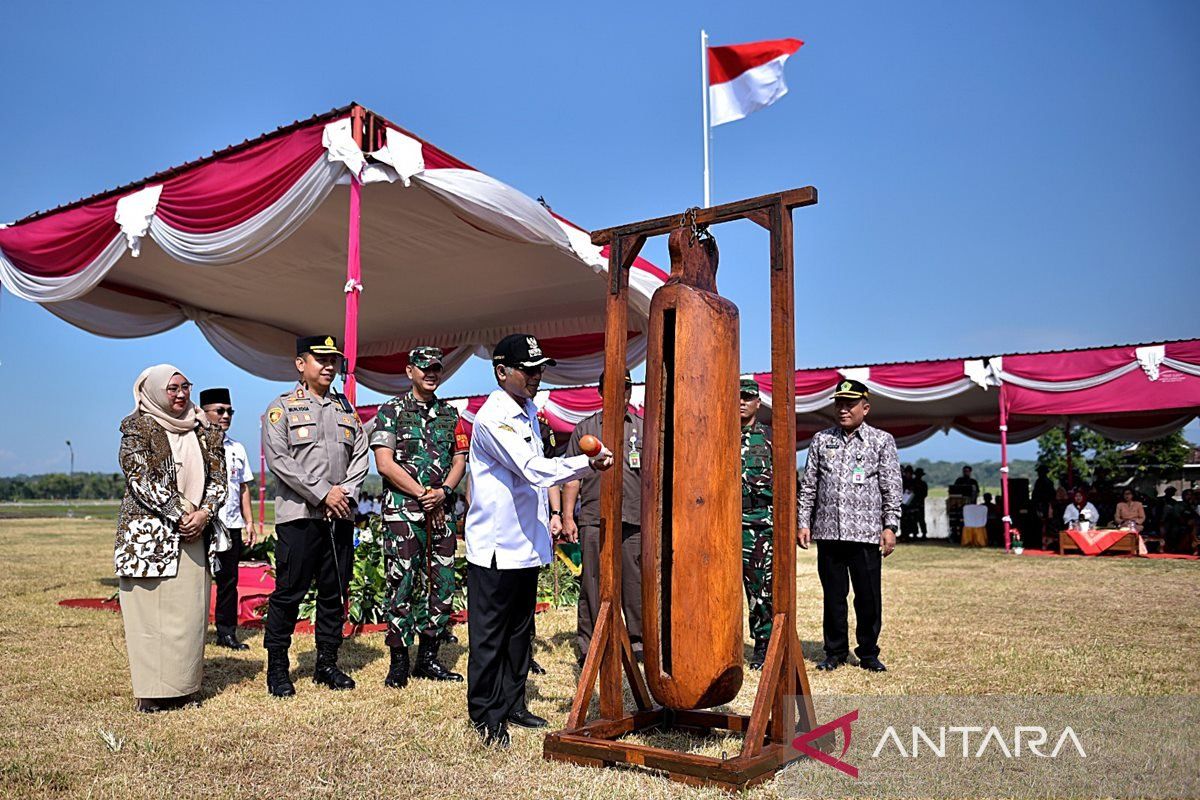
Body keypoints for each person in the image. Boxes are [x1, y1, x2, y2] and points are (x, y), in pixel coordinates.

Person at [465, 333, 613, 748]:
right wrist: (587, 464)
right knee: (490, 637)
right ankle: (486, 715)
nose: (536, 377)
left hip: (525, 543)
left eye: (539, 368)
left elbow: (542, 467)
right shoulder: (492, 417)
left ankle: (512, 703)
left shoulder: (529, 410)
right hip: (495, 546)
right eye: (528, 370)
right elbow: (533, 469)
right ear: (502, 373)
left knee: (519, 634)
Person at [261, 335, 369, 697]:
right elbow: (280, 461)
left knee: (333, 593)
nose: (328, 366)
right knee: (289, 593)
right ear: (300, 364)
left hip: (339, 517)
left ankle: (327, 664)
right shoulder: (281, 409)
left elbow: (361, 456)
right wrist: (324, 493)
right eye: (320, 359)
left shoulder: (346, 409)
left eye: (333, 360)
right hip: (299, 517)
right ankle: (277, 667)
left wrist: (345, 494)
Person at [115, 366, 227, 712]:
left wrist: (204, 514)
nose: (180, 395)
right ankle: (151, 695)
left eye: (185, 387)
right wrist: (180, 514)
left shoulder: (206, 430)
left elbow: (219, 480)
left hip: (195, 533)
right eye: (172, 389)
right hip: (150, 537)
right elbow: (139, 477)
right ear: (151, 392)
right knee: (149, 617)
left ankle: (184, 690)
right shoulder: (136, 427)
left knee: (188, 618)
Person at [370, 346, 468, 689]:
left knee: (442, 582)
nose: (431, 374)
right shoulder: (391, 411)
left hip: (440, 511)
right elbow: (384, 463)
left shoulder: (450, 414)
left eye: (436, 369)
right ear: (410, 370)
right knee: (403, 581)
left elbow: (459, 460)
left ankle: (428, 658)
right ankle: (399, 661)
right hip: (403, 512)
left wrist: (442, 492)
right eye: (424, 368)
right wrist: (421, 493)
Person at [798, 379, 901, 673]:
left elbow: (891, 488)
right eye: (839, 404)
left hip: (866, 533)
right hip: (829, 532)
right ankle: (835, 652)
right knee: (833, 597)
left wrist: (890, 526)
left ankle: (868, 652)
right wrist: (803, 522)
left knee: (868, 598)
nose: (843, 409)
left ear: (865, 408)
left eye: (850, 404)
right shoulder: (821, 440)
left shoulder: (881, 441)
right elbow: (809, 487)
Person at [562, 370, 644, 667]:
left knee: (634, 582)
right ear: (600, 392)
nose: (620, 394)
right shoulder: (585, 430)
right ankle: (592, 644)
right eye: (612, 388)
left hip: (634, 518)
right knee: (592, 582)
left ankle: (637, 644)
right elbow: (571, 477)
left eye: (625, 388)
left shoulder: (643, 428)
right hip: (595, 517)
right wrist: (568, 516)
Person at [199, 387, 258, 651]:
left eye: (229, 411)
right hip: (201, 525)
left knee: (228, 582)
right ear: (204, 413)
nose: (225, 416)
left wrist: (250, 522)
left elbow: (243, 487)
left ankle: (226, 633)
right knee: (197, 582)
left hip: (231, 525)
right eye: (219, 411)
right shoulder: (193, 445)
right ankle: (194, 632)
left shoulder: (237, 448)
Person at [735, 378, 775, 669]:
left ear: (758, 403)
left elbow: (785, 482)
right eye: (737, 397)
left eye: (747, 397)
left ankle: (762, 645)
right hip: (722, 522)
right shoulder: (718, 435)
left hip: (759, 524)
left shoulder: (771, 437)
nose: (741, 402)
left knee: (760, 589)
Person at [912, 467, 929, 538]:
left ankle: (923, 533)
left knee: (921, 519)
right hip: (915, 503)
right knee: (914, 519)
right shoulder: (913, 483)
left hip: (920, 503)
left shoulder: (923, 484)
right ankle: (916, 533)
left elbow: (924, 494)